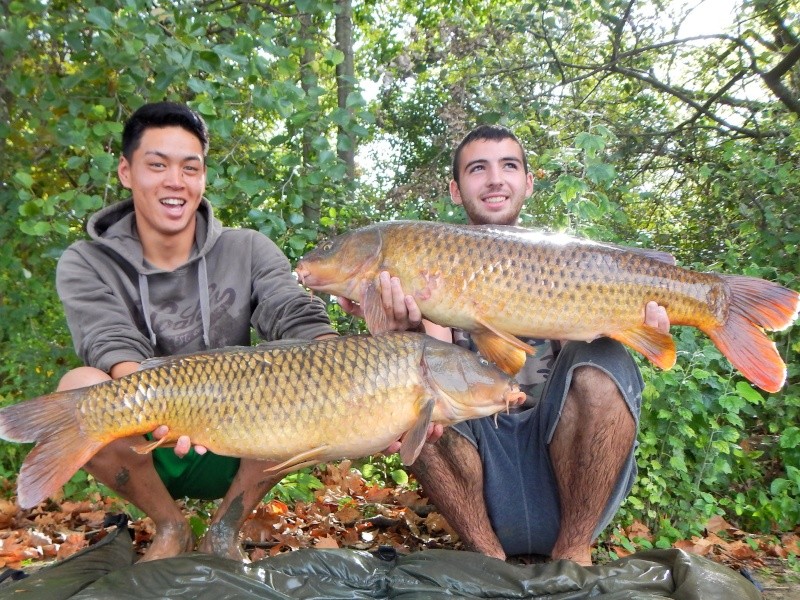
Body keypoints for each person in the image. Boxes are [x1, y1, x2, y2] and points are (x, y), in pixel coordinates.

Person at [340, 124, 670, 566]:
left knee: (606, 360)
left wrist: (637, 325)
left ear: (528, 183)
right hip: (479, 486)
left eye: (509, 166)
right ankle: (490, 564)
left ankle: (573, 557)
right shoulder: (431, 258)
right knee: (415, 386)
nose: (495, 179)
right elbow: (428, 364)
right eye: (478, 169)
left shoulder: (559, 255)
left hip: (566, 476)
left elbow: (608, 367)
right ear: (456, 190)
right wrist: (401, 326)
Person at [54, 101, 343, 562]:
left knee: (301, 391)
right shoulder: (87, 262)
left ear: (204, 177)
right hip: (148, 437)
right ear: (126, 171)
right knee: (79, 390)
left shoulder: (248, 248)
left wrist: (340, 363)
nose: (176, 181)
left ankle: (225, 529)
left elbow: (291, 311)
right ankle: (170, 526)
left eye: (190, 167)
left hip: (241, 434)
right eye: (158, 165)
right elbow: (108, 342)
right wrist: (167, 409)